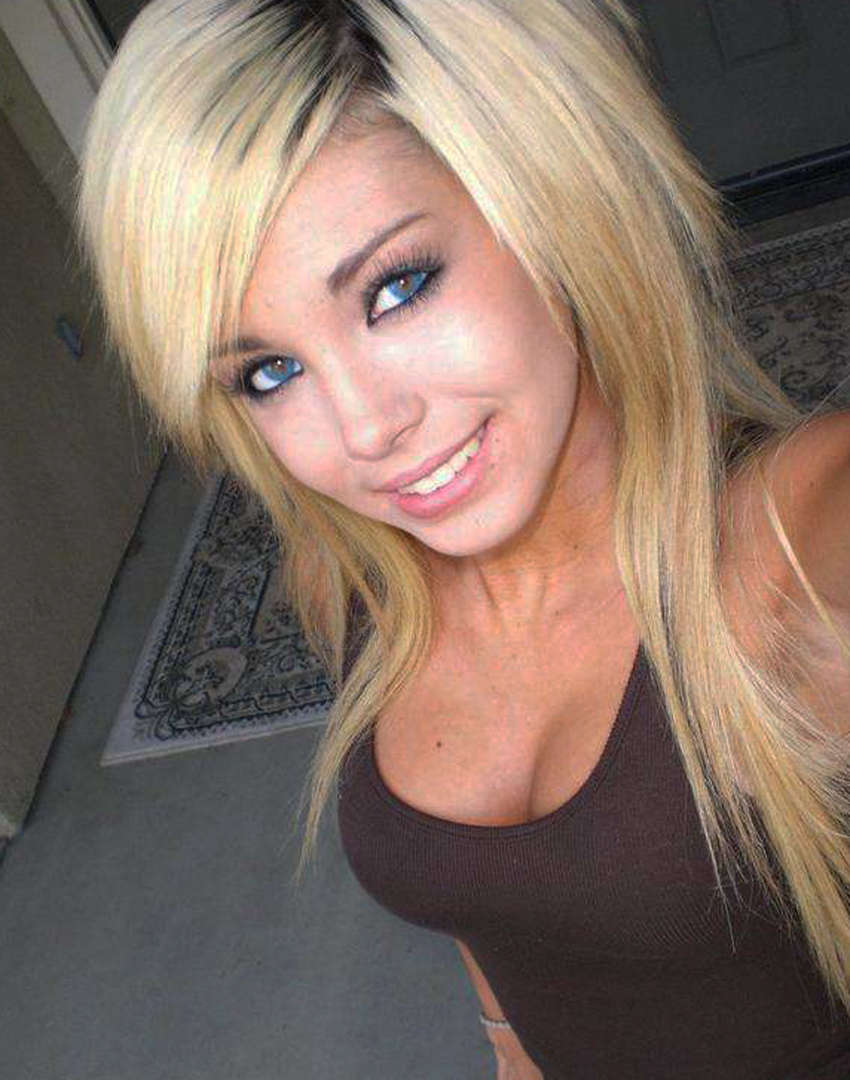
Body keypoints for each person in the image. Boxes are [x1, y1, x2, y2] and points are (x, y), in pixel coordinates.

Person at [78, 1, 850, 1076]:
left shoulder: (803, 535)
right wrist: (509, 1050)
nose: (365, 431)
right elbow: (492, 912)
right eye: (269, 371)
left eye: (395, 289)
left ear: (555, 198)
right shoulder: (354, 580)